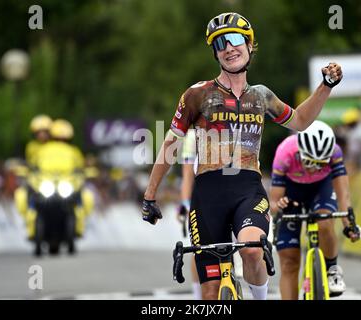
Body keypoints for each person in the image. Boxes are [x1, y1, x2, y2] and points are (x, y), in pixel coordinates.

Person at [141, 12, 343, 300]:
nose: (228, 47)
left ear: (250, 45)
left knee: (251, 250)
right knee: (210, 293)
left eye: (236, 40)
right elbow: (171, 145)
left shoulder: (261, 96)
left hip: (247, 189)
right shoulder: (197, 94)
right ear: (215, 53)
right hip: (208, 193)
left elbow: (299, 121)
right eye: (220, 43)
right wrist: (150, 195)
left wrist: (325, 87)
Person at [269, 120, 361, 300]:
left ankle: (332, 269)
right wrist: (279, 205)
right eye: (310, 162)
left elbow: (343, 195)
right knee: (289, 261)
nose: (314, 168)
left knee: (325, 223)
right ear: (300, 152)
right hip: (291, 193)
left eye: (321, 164)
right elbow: (274, 200)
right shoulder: (285, 152)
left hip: (321, 189)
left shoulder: (335, 152)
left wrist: (349, 225)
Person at [24, 119, 94, 239]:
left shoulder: (74, 151)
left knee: (86, 196)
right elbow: (32, 165)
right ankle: (31, 228)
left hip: (66, 185)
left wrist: (85, 171)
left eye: (64, 140)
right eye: (57, 139)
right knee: (27, 196)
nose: (61, 143)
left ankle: (79, 227)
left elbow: (80, 167)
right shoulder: (42, 150)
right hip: (47, 184)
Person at [176, 129, 201, 300]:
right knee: (199, 249)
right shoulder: (193, 136)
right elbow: (187, 175)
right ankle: (199, 296)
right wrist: (185, 203)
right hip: (202, 195)